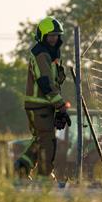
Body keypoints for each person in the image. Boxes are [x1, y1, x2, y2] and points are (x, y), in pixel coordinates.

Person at [14, 16, 70, 179]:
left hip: (45, 105)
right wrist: (60, 106)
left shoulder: (52, 54)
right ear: (42, 36)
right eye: (50, 35)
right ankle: (44, 176)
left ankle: (22, 166)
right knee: (48, 141)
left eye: (57, 35)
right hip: (39, 105)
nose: (54, 38)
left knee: (41, 138)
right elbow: (45, 82)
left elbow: (55, 80)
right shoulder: (40, 53)